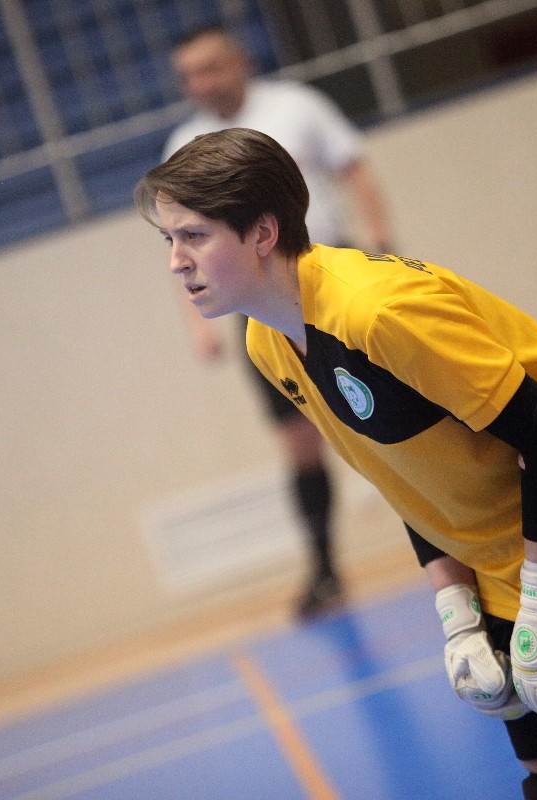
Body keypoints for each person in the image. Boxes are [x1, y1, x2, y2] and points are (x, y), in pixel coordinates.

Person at [135, 128, 537, 799]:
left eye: (194, 236)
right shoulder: (268, 343)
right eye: (169, 240)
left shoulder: (377, 311)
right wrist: (459, 614)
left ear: (263, 233)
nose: (176, 262)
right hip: (509, 550)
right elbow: (407, 476)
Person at [162, 25, 393, 619]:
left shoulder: (296, 106)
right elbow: (182, 241)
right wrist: (198, 322)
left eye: (211, 67)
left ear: (239, 61)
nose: (202, 82)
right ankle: (324, 569)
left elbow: (354, 168)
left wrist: (381, 242)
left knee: (390, 406)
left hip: (329, 280)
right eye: (189, 75)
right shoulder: (184, 144)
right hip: (256, 307)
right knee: (299, 440)